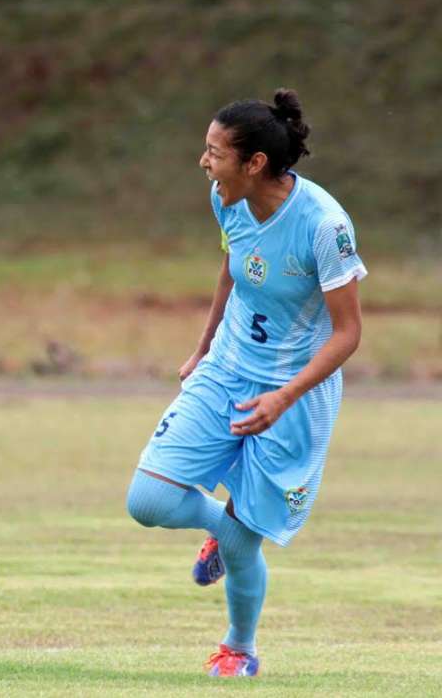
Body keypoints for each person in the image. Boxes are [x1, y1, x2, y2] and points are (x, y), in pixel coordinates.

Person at [125, 89, 366, 677]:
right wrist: (202, 348)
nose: (203, 162)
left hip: (292, 396)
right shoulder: (224, 199)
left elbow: (348, 333)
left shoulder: (324, 227)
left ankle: (239, 648)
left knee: (244, 544)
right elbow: (231, 271)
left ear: (254, 163)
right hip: (226, 369)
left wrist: (285, 396)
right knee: (148, 502)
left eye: (213, 152)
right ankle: (225, 531)